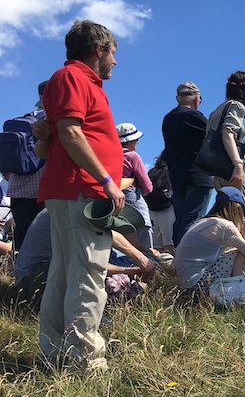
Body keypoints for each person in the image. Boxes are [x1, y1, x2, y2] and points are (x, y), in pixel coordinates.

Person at [35, 20, 125, 373]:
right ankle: (86, 359)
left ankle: (57, 351)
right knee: (88, 270)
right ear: (98, 50)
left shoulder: (76, 81)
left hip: (72, 188)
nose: (115, 62)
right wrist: (106, 179)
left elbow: (49, 145)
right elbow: (71, 134)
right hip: (81, 189)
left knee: (66, 271)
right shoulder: (73, 77)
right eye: (113, 53)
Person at [15, 208, 155, 308]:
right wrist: (133, 269)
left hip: (36, 280)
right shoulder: (74, 213)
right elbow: (89, 261)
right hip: (36, 283)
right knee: (126, 286)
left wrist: (139, 260)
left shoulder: (67, 208)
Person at [207, 71, 245, 232]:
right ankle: (244, 254)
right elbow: (228, 134)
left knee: (229, 213)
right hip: (232, 168)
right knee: (244, 213)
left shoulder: (217, 110)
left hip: (219, 170)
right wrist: (238, 163)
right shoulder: (236, 106)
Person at [175, 187, 245, 293]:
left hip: (184, 286)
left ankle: (239, 289)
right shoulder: (226, 226)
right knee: (242, 254)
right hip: (198, 284)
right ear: (237, 208)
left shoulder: (201, 222)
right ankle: (239, 293)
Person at [162, 81, 215, 246]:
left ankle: (177, 257)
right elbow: (214, 138)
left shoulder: (168, 118)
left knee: (181, 220)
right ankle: (186, 260)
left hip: (177, 177)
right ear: (196, 99)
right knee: (193, 221)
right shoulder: (194, 116)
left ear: (178, 98)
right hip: (198, 175)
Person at [5, 80, 47, 252]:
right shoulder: (52, 120)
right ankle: (40, 277)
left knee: (22, 237)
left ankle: (16, 275)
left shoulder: (24, 119)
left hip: (17, 188)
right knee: (46, 238)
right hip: (44, 188)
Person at [117, 123, 154, 251]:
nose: (137, 142)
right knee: (144, 240)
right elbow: (147, 187)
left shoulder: (111, 156)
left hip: (115, 202)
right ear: (130, 141)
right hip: (133, 199)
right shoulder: (132, 156)